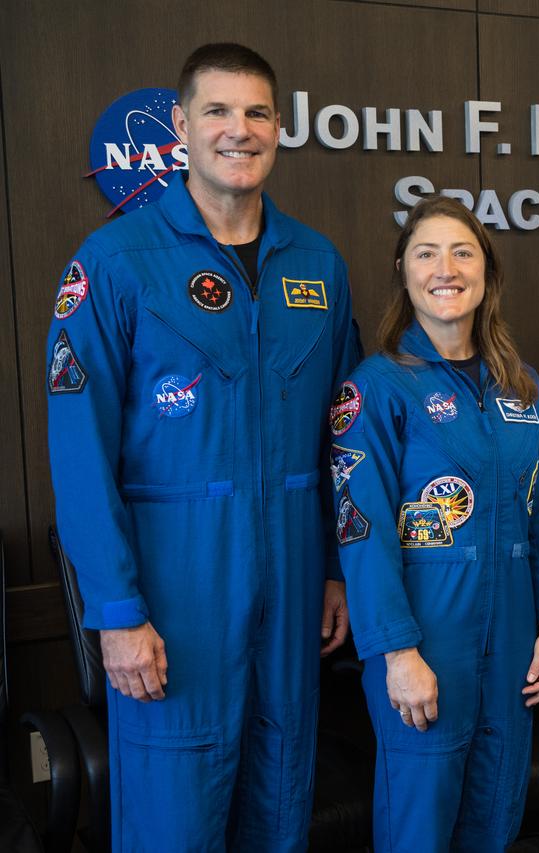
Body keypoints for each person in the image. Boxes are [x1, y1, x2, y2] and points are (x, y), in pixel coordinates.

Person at [45, 43, 360, 850]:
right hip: (175, 598)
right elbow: (80, 455)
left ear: (279, 129)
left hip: (292, 591)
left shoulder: (317, 265)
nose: (238, 130)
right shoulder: (116, 262)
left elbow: (342, 437)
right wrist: (116, 613)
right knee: (173, 819)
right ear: (181, 126)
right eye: (217, 111)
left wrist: (334, 567)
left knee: (281, 802)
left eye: (257, 112)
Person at [333, 194, 539, 851]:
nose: (447, 267)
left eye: (463, 251)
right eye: (427, 252)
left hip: (515, 636)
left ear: (488, 274)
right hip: (426, 639)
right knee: (421, 821)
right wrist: (396, 650)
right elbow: (363, 533)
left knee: (497, 814)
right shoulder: (376, 387)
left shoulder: (519, 385)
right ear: (403, 272)